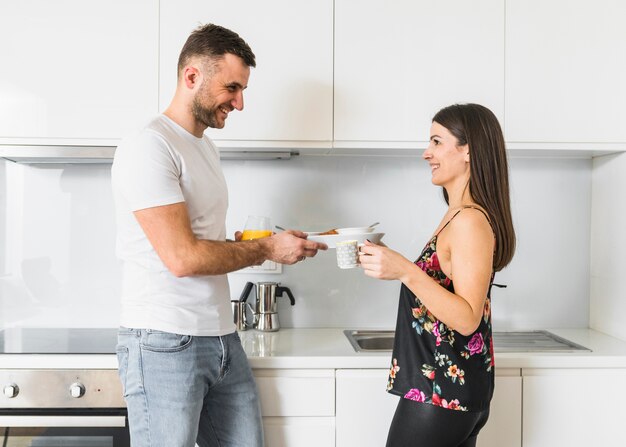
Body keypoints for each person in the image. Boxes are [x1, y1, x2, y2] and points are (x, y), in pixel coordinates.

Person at [111, 23, 326, 447]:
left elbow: (202, 240)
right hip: (163, 342)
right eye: (232, 87)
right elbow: (183, 258)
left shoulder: (205, 147)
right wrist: (265, 249)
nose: (240, 103)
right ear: (192, 77)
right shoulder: (149, 145)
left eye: (243, 89)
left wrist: (253, 244)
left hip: (221, 337)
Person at [359, 103, 515, 447]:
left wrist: (404, 270)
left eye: (436, 142)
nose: (426, 153)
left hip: (443, 394)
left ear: (468, 151)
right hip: (448, 392)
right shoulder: (457, 214)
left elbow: (467, 318)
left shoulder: (470, 221)